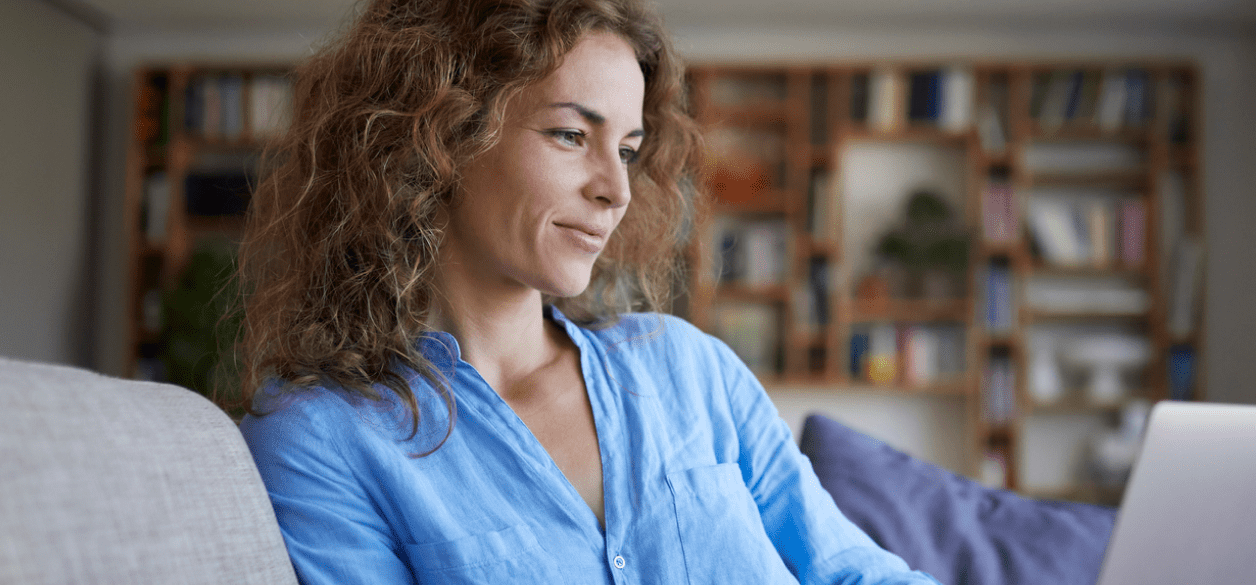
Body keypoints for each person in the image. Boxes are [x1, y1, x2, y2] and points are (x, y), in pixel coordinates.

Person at [231, 0, 938, 583]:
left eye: (628, 150)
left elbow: (855, 572)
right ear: (439, 140)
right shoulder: (321, 437)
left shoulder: (691, 370)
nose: (617, 189)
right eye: (572, 135)